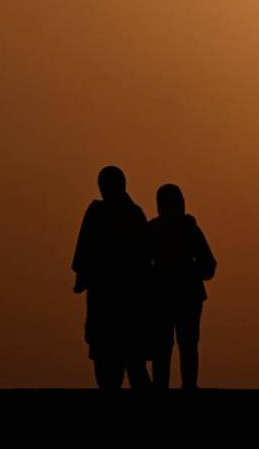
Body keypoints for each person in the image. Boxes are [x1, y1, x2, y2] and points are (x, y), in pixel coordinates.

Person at [72, 165, 152, 390]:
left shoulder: (123, 213)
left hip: (121, 295)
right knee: (114, 357)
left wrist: (82, 277)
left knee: (128, 360)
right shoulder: (126, 213)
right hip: (111, 294)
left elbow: (84, 249)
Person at [147, 184, 217, 390]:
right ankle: (184, 387)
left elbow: (208, 264)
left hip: (172, 295)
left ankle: (175, 387)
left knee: (172, 345)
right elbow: (209, 265)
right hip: (180, 295)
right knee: (180, 345)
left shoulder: (160, 230)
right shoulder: (187, 229)